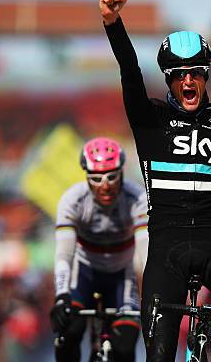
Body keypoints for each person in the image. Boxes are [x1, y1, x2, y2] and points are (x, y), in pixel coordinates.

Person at [99, 0, 211, 362]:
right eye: (180, 75)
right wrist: (113, 23)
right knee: (159, 354)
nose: (189, 82)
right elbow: (130, 73)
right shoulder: (150, 121)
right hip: (167, 251)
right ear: (169, 80)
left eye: (196, 73)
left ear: (206, 75)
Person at [50, 137, 148, 362]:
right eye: (96, 178)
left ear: (122, 173)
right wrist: (61, 295)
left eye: (112, 177)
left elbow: (145, 251)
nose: (105, 185)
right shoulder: (72, 200)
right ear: (86, 176)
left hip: (123, 276)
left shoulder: (137, 198)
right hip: (84, 273)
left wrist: (151, 290)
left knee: (124, 346)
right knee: (69, 332)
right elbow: (64, 252)